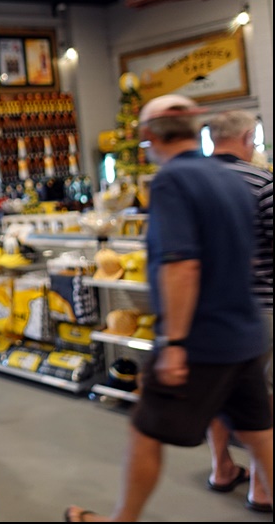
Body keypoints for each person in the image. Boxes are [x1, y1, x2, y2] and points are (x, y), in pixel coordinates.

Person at [66, 94, 273, 522]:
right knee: (260, 434)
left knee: (145, 433)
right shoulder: (235, 180)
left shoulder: (172, 182)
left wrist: (175, 343)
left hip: (199, 339)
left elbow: (181, 266)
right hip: (245, 334)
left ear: (148, 136)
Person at [203, 109, 273, 513]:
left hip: (207, 312)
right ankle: (262, 487)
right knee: (264, 395)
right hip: (259, 307)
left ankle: (221, 467)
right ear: (248, 138)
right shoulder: (263, 182)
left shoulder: (190, 182)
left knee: (219, 391)